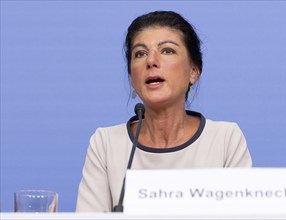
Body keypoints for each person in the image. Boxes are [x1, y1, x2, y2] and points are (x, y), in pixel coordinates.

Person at [76, 10, 252, 212]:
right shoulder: (105, 144)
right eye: (140, 54)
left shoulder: (225, 140)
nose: (151, 61)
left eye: (167, 50)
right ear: (132, 78)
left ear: (193, 72)